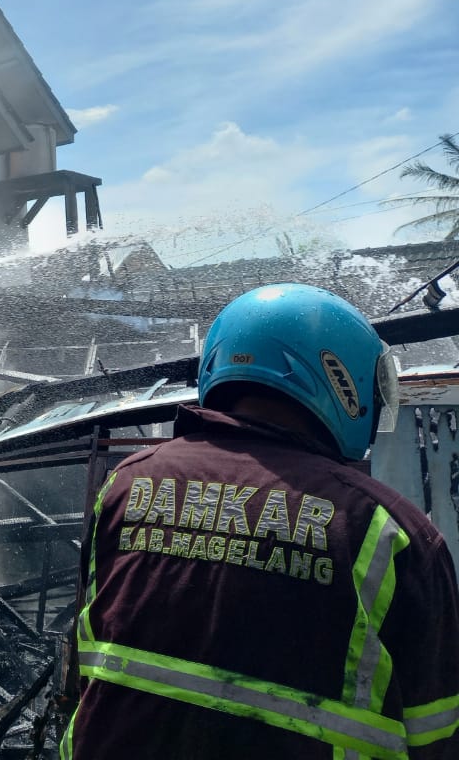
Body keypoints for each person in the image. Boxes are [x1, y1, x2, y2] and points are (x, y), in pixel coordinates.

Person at [63, 284, 459, 759]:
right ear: (341, 377)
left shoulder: (124, 486)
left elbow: (86, 664)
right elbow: (435, 733)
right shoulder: (388, 529)